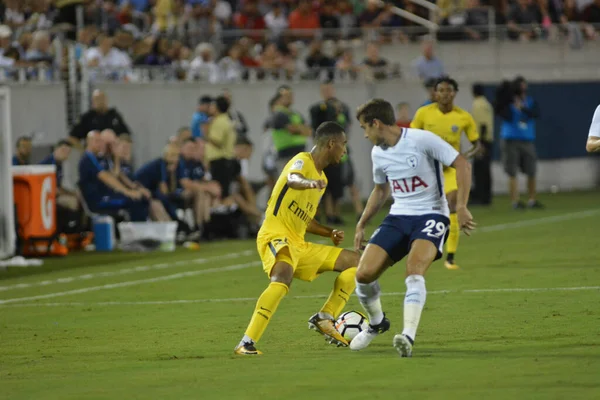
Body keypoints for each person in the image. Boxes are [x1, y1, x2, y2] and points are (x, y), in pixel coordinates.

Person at [349, 99, 476, 357]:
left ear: (376, 123)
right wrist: (362, 223)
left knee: (414, 271)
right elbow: (381, 190)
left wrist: (461, 206)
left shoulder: (422, 140)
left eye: (365, 128)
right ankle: (376, 323)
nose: (364, 135)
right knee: (363, 275)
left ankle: (407, 335)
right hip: (398, 217)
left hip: (431, 215)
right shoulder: (378, 153)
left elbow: (462, 163)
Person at [234, 121, 360, 356]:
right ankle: (246, 342)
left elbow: (306, 219)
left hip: (299, 243)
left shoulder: (323, 180)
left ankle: (325, 317)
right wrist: (309, 182)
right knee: (282, 276)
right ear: (331, 143)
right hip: (275, 234)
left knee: (358, 264)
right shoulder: (302, 160)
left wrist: (328, 232)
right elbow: (293, 179)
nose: (344, 150)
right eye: (343, 145)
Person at [410, 77, 480, 271]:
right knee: (425, 212)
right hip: (427, 170)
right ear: (435, 93)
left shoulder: (463, 117)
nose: (444, 94)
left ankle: (450, 257)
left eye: (448, 90)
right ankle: (421, 250)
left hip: (450, 170)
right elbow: (411, 139)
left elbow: (477, 144)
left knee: (453, 205)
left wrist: (462, 158)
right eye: (440, 90)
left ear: (455, 93)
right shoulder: (424, 113)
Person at [495, 76, 543, 209]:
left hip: (527, 139)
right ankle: (515, 201)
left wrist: (521, 107)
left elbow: (535, 114)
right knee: (512, 171)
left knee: (531, 170)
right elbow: (503, 114)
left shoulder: (530, 101)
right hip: (510, 139)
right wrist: (511, 103)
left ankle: (532, 199)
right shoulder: (507, 103)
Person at [471, 83, 494, 205]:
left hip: (482, 140)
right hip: (488, 140)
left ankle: (481, 197)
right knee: (485, 169)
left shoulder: (477, 104)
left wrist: (479, 143)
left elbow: (482, 125)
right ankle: (487, 196)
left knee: (479, 170)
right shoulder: (487, 104)